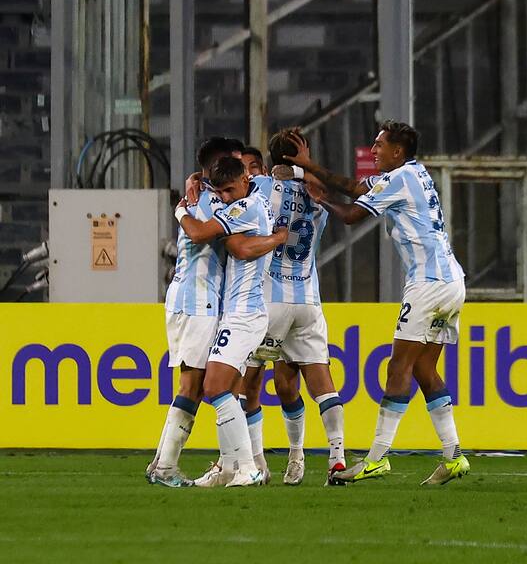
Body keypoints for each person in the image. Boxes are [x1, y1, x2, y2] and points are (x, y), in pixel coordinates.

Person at [285, 120, 470, 486]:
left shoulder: (399, 179)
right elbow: (355, 188)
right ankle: (453, 456)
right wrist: (310, 166)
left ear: (397, 152)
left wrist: (320, 201)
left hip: (428, 284)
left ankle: (377, 458)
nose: (373, 151)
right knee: (424, 370)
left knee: (397, 367)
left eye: (379, 145)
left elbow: (354, 215)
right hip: (452, 281)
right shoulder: (413, 172)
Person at [244, 128, 347, 487]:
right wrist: (306, 168)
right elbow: (331, 192)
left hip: (269, 298)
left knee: (248, 380)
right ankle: (336, 459)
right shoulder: (318, 194)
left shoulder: (258, 188)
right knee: (321, 382)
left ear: (271, 160)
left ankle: (256, 464)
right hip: (307, 298)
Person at [176, 156, 287, 487]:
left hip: (245, 314)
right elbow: (238, 244)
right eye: (220, 191)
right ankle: (228, 468)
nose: (225, 197)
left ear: (244, 181)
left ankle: (248, 467)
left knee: (214, 386)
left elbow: (202, 235)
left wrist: (180, 209)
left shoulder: (245, 207)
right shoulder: (250, 200)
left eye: (229, 190)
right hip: (236, 312)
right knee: (230, 390)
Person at [146, 137, 232, 487]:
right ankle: (166, 467)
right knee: (192, 384)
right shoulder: (208, 201)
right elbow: (201, 235)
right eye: (232, 163)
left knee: (192, 383)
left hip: (190, 297)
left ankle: (160, 464)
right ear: (217, 169)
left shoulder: (200, 194)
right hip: (197, 300)